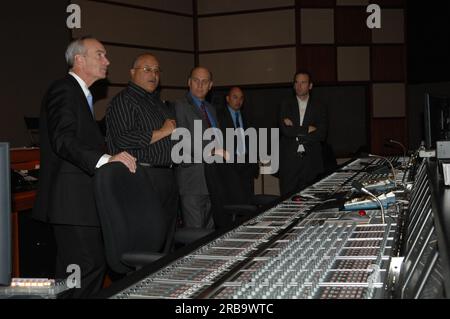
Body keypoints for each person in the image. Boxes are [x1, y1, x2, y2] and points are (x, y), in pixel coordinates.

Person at [33, 37, 137, 298]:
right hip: (71, 204)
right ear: (79, 60)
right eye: (100, 55)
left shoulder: (79, 94)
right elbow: (63, 139)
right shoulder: (64, 89)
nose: (108, 61)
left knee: (82, 273)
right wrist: (104, 160)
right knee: (83, 272)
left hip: (80, 204)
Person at [106, 53, 178, 253]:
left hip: (166, 176)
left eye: (156, 71)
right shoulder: (124, 100)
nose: (153, 75)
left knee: (166, 241)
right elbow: (124, 139)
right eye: (147, 69)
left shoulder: (156, 103)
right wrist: (164, 131)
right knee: (148, 241)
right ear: (132, 72)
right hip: (142, 176)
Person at [174, 67, 219, 229]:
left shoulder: (211, 109)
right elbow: (182, 141)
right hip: (192, 180)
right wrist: (211, 151)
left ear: (210, 85)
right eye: (196, 80)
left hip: (212, 179)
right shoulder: (179, 106)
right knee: (195, 235)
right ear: (189, 82)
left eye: (204, 81)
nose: (200, 85)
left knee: (209, 233)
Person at [278, 70, 327, 196]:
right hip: (289, 163)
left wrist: (295, 128)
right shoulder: (285, 104)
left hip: (311, 163)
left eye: (303, 82)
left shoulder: (319, 106)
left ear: (310, 86)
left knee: (310, 203)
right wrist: (307, 129)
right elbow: (286, 131)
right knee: (287, 202)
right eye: (296, 82)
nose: (299, 86)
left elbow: (321, 134)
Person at [217, 86, 258, 199]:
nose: (238, 101)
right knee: (233, 202)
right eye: (235, 97)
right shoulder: (218, 116)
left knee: (248, 203)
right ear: (227, 98)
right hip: (229, 167)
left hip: (247, 166)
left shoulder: (247, 115)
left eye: (241, 98)